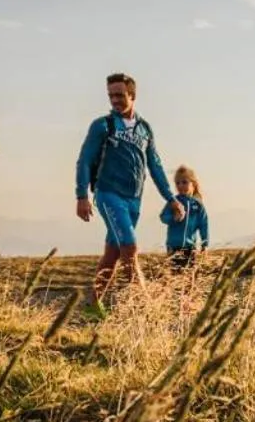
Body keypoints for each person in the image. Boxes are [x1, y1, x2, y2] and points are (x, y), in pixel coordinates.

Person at [76, 72, 182, 300]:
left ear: (132, 96)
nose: (114, 100)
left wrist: (170, 198)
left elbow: (155, 166)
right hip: (108, 194)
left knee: (112, 253)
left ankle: (93, 304)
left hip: (134, 199)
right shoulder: (102, 126)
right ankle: (145, 305)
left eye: (119, 95)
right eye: (110, 95)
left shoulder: (145, 129)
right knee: (130, 248)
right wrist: (81, 195)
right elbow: (84, 160)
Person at [160, 165, 209, 271]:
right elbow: (163, 217)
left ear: (193, 184)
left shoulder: (197, 205)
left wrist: (205, 244)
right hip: (173, 246)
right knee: (175, 275)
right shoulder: (173, 202)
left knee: (189, 275)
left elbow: (203, 225)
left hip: (190, 247)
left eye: (184, 182)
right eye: (177, 183)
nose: (180, 186)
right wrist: (174, 218)